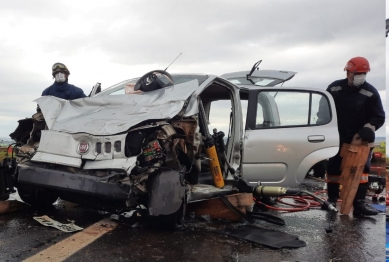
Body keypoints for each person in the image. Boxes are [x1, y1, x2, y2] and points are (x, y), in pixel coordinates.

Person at [324, 56, 385, 216]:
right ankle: (332, 199)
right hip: (337, 137)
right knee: (333, 168)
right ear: (348, 72)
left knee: (362, 172)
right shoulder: (334, 88)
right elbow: (324, 110)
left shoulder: (370, 92)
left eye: (364, 73)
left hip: (360, 140)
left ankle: (359, 204)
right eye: (357, 73)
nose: (361, 76)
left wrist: (368, 128)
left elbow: (378, 117)